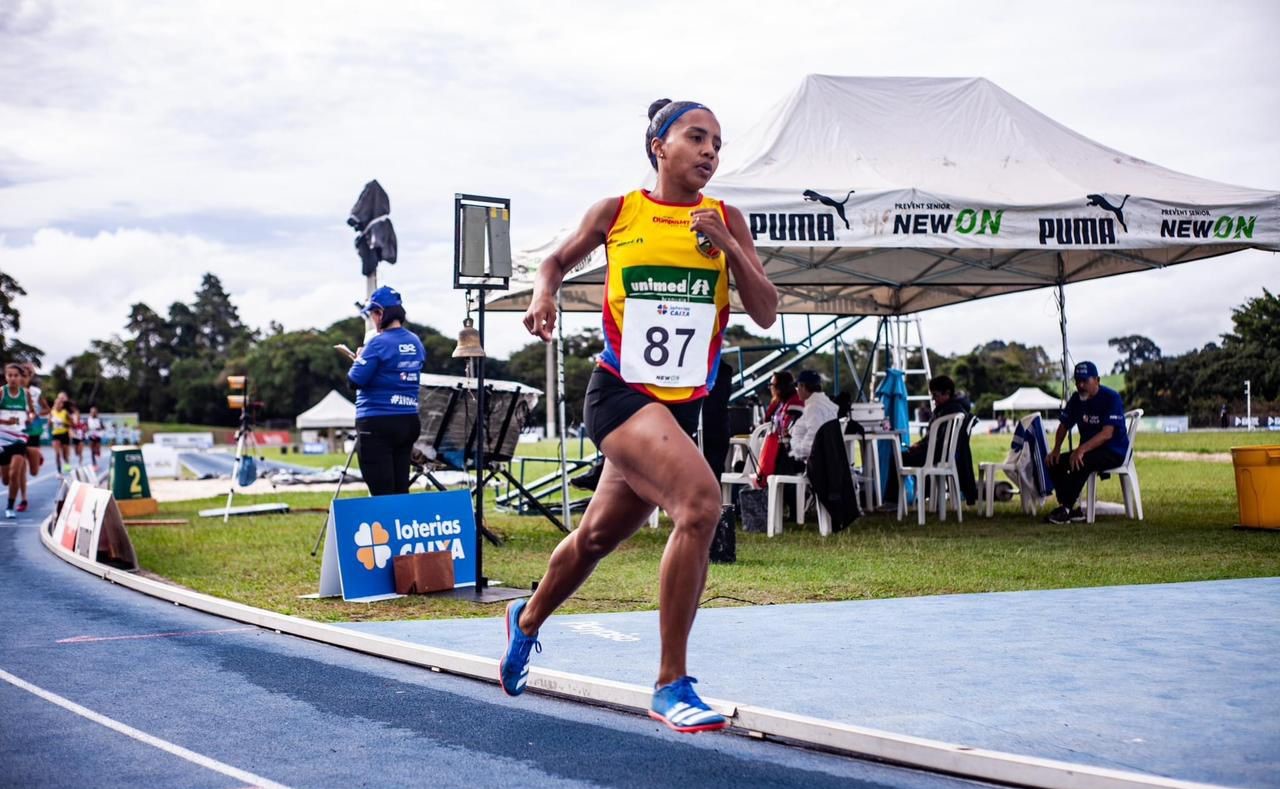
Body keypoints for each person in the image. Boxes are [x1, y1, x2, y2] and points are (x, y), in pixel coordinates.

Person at [501, 98, 777, 734]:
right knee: (701, 505)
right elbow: (554, 261)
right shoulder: (618, 211)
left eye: (718, 144)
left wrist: (729, 245)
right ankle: (670, 683)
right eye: (696, 138)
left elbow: (765, 309)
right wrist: (545, 292)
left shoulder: (727, 218)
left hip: (678, 410)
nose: (710, 152)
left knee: (597, 538)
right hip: (620, 394)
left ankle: (527, 618)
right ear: (660, 146)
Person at [346, 286, 426, 496]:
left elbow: (354, 380)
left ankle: (386, 528)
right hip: (408, 419)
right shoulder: (415, 341)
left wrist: (360, 360)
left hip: (377, 421)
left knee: (381, 491)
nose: (372, 320)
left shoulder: (377, 343)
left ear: (380, 313)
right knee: (400, 488)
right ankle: (402, 526)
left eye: (372, 315)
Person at [1045, 361, 1129, 524]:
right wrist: (1055, 449)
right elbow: (1063, 426)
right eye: (1077, 381)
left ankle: (1066, 509)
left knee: (1081, 460)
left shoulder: (1111, 398)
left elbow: (1107, 434)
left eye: (1085, 381)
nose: (1080, 385)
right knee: (1054, 463)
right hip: (1089, 451)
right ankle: (1070, 507)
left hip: (1113, 451)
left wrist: (1081, 449)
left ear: (1097, 380)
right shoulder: (1076, 399)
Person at [889, 375, 978, 505]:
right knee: (911, 455)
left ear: (947, 393)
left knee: (897, 458)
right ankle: (923, 495)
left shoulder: (947, 411)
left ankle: (893, 501)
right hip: (948, 456)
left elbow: (937, 441)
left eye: (935, 395)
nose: (933, 399)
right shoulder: (957, 409)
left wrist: (920, 447)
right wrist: (920, 445)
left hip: (937, 455)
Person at [1, 363, 36, 517]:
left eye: (16, 375)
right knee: (6, 479)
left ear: (21, 377)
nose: (13, 378)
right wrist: (6, 422)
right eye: (10, 375)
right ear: (6, 376)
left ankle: (10, 507)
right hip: (2, 438)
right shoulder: (2, 392)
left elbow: (32, 413)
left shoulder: (25, 394)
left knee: (16, 473)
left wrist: (29, 419)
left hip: (20, 438)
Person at [786, 370, 839, 464]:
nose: (796, 390)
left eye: (797, 386)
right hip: (826, 458)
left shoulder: (813, 408)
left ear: (802, 386)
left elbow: (811, 442)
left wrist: (797, 449)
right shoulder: (825, 404)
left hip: (813, 462)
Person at [49, 392, 71, 475]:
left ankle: (67, 465)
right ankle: (59, 471)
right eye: (56, 403)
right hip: (56, 435)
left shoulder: (65, 412)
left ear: (62, 405)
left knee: (65, 455)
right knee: (57, 453)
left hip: (64, 434)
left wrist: (64, 424)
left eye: (59, 403)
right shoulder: (52, 412)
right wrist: (51, 422)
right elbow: (49, 424)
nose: (58, 405)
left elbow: (71, 424)